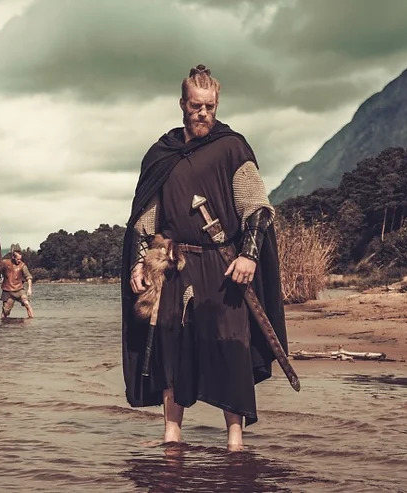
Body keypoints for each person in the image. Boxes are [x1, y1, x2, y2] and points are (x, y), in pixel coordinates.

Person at [121, 64, 287, 451]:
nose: (203, 114)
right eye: (196, 106)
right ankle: (172, 439)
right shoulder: (163, 154)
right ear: (182, 104)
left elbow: (258, 209)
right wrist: (138, 262)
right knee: (170, 348)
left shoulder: (232, 147)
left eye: (209, 107)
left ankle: (235, 442)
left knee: (231, 345)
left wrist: (248, 256)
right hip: (173, 267)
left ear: (217, 104)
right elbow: (145, 219)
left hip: (223, 264)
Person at [0, 248, 34, 319]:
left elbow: (28, 277)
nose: (19, 260)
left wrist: (29, 289)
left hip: (19, 290)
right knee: (5, 312)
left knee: (27, 304)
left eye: (20, 259)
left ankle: (31, 322)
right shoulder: (5, 263)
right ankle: (3, 327)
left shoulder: (22, 266)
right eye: (18, 259)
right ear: (13, 257)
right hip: (7, 290)